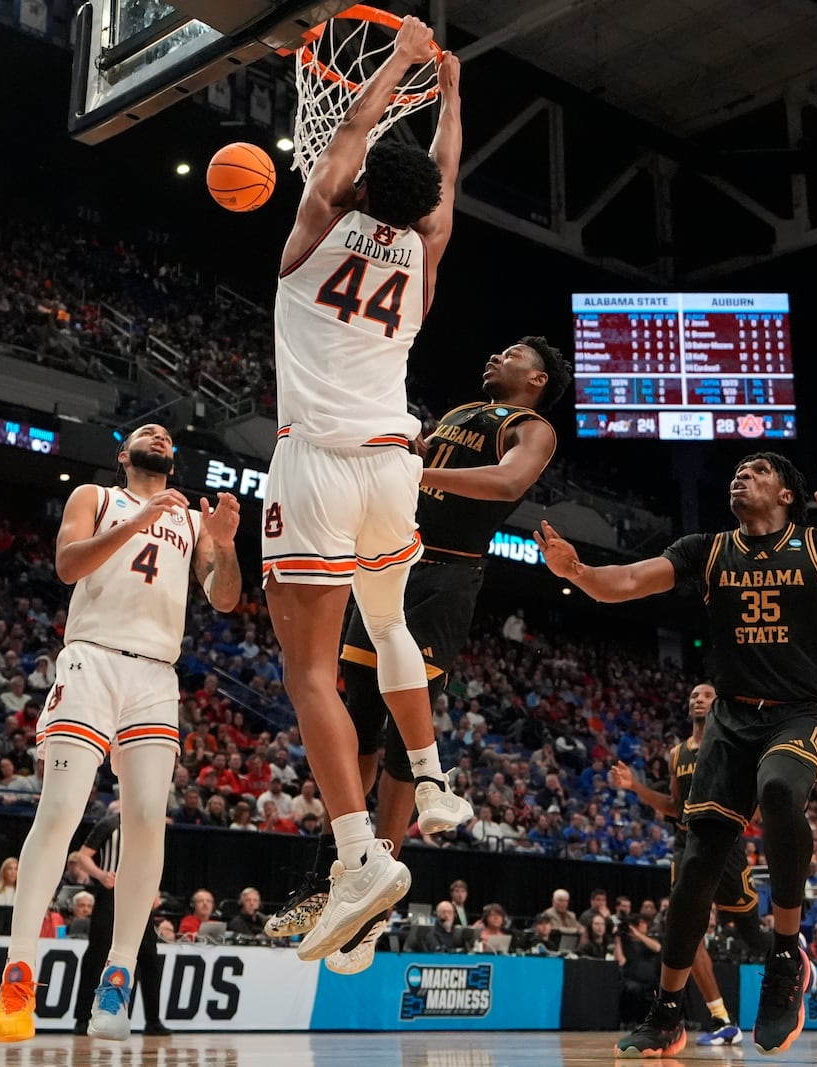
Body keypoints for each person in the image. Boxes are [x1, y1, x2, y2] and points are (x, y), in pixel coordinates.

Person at [534, 452, 817, 1056]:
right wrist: (577, 570)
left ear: (788, 494)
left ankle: (787, 956)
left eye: (759, 470)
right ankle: (667, 1015)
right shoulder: (706, 549)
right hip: (732, 720)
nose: (743, 475)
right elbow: (626, 582)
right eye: (738, 470)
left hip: (799, 712)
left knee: (782, 790)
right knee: (696, 866)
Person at [260, 14, 468, 962]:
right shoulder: (426, 252)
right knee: (386, 626)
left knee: (309, 669)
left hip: (320, 463)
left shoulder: (315, 231)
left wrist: (396, 61)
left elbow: (344, 138)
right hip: (395, 464)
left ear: (352, 188)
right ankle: (428, 778)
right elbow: (445, 181)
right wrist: (450, 96)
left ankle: (358, 855)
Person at [268, 337, 569, 970]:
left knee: (405, 739)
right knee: (355, 719)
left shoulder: (531, 426)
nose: (495, 355)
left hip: (443, 576)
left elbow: (510, 480)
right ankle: (340, 875)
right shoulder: (460, 413)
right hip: (388, 554)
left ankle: (379, 891)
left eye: (510, 352)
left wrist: (418, 471)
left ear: (537, 378)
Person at [0, 423, 241, 1043]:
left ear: (173, 461)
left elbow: (226, 599)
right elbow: (68, 565)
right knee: (60, 811)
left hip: (155, 674)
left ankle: (118, 977)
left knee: (149, 818)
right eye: (143, 432)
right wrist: (137, 519)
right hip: (93, 659)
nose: (157, 433)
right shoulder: (94, 498)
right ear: (122, 456)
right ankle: (19, 973)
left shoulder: (191, 521)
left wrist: (228, 545)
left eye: (165, 435)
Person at [611, 682, 780, 1046]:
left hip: (727, 845)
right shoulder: (677, 754)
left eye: (705, 695)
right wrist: (636, 787)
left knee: (751, 934)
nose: (698, 699)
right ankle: (721, 1019)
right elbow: (674, 807)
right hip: (687, 844)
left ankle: (792, 958)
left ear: (718, 704)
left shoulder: (734, 745)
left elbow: (752, 803)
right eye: (693, 696)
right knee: (686, 930)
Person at [67, 812, 168, 1036]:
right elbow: (82, 856)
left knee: (149, 957)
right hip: (110, 896)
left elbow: (152, 862)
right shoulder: (110, 823)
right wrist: (101, 875)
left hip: (140, 895)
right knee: (98, 954)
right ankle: (83, 1018)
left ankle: (153, 1020)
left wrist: (154, 890)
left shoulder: (151, 825)